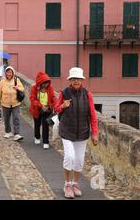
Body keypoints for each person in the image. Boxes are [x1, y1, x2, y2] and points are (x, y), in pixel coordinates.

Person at [54, 67, 99, 199]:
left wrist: (94, 133)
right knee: (70, 157)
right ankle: (67, 184)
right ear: (70, 80)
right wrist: (63, 106)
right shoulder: (64, 93)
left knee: (79, 160)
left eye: (78, 79)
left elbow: (92, 115)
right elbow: (56, 109)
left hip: (82, 132)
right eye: (73, 79)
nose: (76, 81)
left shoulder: (87, 94)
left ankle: (75, 183)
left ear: (82, 80)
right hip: (67, 131)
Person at [0, 66, 24, 141]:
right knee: (6, 119)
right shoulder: (2, 81)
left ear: (13, 73)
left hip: (15, 103)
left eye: (10, 72)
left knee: (16, 118)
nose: (9, 74)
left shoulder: (16, 80)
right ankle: (8, 132)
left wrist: (17, 88)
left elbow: (22, 89)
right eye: (8, 72)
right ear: (5, 73)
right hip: (5, 104)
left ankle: (17, 134)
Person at [30, 72, 57, 149]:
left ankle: (46, 141)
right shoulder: (34, 88)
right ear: (40, 82)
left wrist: (53, 106)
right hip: (37, 109)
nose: (46, 85)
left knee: (45, 125)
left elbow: (53, 98)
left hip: (47, 110)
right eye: (44, 83)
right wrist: (40, 106)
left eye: (47, 83)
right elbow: (32, 99)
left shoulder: (50, 88)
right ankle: (37, 137)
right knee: (37, 124)